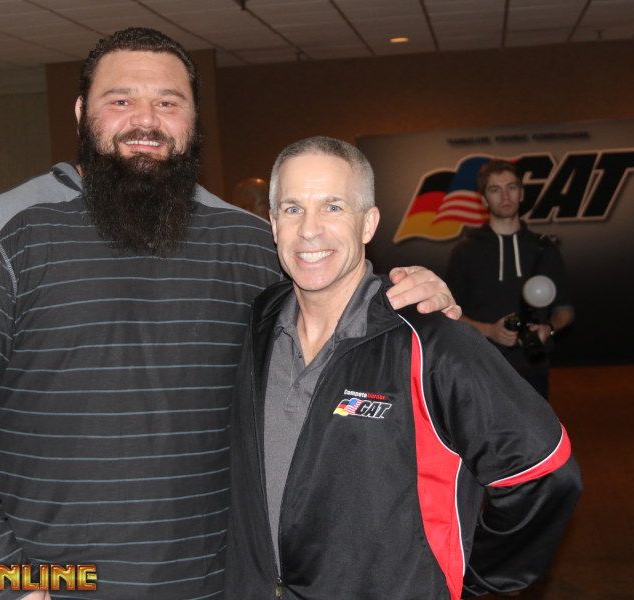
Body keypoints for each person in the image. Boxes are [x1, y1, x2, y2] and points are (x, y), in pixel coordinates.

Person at [0, 28, 458, 600]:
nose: (145, 120)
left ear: (194, 120)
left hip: (219, 583)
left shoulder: (252, 244)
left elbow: (339, 326)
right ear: (81, 112)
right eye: (121, 100)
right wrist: (2, 581)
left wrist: (413, 297)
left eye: (168, 103)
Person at [225, 137, 582, 599]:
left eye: (333, 207)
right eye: (293, 209)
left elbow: (546, 471)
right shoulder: (256, 322)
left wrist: (459, 578)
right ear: (273, 224)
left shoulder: (432, 341)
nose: (309, 229)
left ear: (368, 223)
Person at [446, 159, 574, 398]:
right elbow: (448, 313)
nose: (505, 196)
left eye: (512, 187)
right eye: (495, 189)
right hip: (480, 368)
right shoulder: (466, 252)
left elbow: (565, 309)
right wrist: (489, 331)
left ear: (521, 193)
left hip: (533, 370)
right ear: (484, 199)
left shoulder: (545, 249)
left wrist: (548, 328)